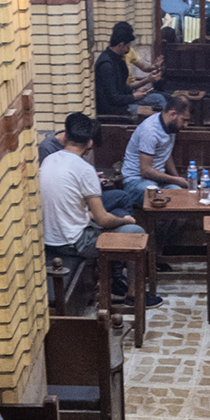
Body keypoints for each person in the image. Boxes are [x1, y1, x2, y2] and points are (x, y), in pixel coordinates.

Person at [40, 113, 163, 307]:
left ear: (66, 135)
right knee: (136, 232)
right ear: (89, 143)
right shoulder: (83, 169)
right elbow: (103, 219)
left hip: (49, 238)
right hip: (74, 242)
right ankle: (133, 294)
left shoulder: (48, 160)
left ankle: (115, 277)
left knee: (117, 209)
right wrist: (126, 220)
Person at [110, 97, 191, 214]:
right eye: (184, 120)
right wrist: (175, 179)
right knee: (157, 197)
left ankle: (170, 225)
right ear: (172, 114)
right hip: (136, 181)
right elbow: (146, 171)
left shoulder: (170, 127)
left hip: (158, 180)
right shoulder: (150, 131)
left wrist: (178, 180)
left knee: (180, 194)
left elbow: (166, 155)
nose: (186, 125)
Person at [94, 24, 166, 116]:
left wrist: (135, 91)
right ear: (121, 45)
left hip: (124, 101)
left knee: (158, 98)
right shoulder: (106, 65)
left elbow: (122, 88)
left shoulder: (117, 59)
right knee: (153, 108)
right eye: (127, 46)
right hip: (114, 109)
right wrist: (133, 97)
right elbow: (113, 98)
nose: (128, 50)